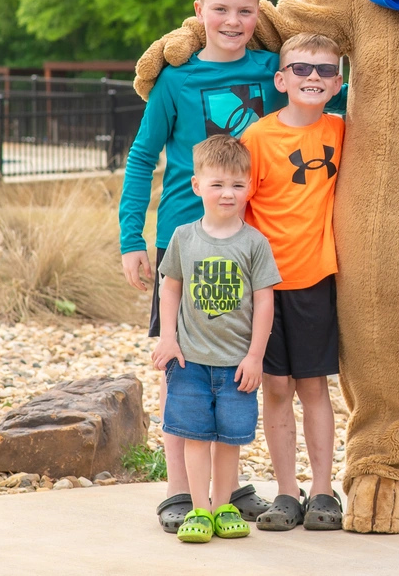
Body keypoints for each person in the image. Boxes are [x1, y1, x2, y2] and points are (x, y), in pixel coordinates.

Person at [119, 0, 283, 533]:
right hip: (183, 246)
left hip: (255, 241)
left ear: (257, 14)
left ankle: (231, 490)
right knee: (182, 367)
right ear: (199, 13)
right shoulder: (176, 80)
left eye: (244, 10)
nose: (232, 20)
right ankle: (178, 494)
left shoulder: (274, 72)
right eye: (220, 10)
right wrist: (131, 238)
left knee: (237, 367)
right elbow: (143, 158)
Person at [239, 32, 347, 532]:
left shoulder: (343, 131)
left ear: (338, 82)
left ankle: (324, 491)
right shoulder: (258, 138)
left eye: (325, 70)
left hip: (315, 278)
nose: (313, 78)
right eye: (301, 69)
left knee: (314, 387)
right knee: (276, 388)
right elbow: (236, 209)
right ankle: (286, 492)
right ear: (281, 79)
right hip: (266, 285)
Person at [153, 134, 282, 543]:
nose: (228, 193)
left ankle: (224, 504)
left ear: (250, 188)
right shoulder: (183, 237)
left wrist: (256, 356)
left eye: (237, 185)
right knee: (194, 436)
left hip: (236, 364)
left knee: (229, 439)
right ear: (197, 186)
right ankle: (199, 508)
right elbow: (169, 287)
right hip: (189, 361)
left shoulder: (255, 243)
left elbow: (265, 303)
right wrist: (168, 339)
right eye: (217, 184)